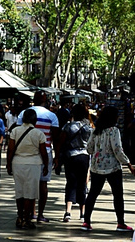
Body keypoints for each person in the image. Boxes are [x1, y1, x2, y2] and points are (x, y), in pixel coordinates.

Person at [84, 105, 135, 233]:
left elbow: (89, 148)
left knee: (93, 194)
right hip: (113, 167)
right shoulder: (114, 131)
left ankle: (86, 221)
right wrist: (128, 164)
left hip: (97, 167)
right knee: (117, 195)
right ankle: (120, 222)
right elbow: (117, 150)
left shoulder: (96, 130)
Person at [8, 106, 51, 230]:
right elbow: (43, 152)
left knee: (19, 191)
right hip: (33, 164)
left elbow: (11, 149)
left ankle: (20, 216)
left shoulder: (15, 131)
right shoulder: (39, 134)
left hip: (17, 163)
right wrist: (46, 166)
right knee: (30, 193)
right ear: (35, 120)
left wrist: (9, 164)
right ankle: (27, 219)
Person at [31, 90, 59, 224]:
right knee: (43, 183)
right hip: (46, 152)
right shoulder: (52, 116)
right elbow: (56, 138)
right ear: (46, 100)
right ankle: (40, 214)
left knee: (30, 183)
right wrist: (58, 157)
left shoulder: (25, 113)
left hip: (28, 153)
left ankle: (32, 212)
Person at [61, 101, 92, 223]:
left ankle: (68, 212)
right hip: (84, 157)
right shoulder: (88, 128)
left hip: (70, 156)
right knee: (82, 184)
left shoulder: (68, 127)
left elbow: (61, 141)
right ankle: (82, 213)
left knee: (70, 183)